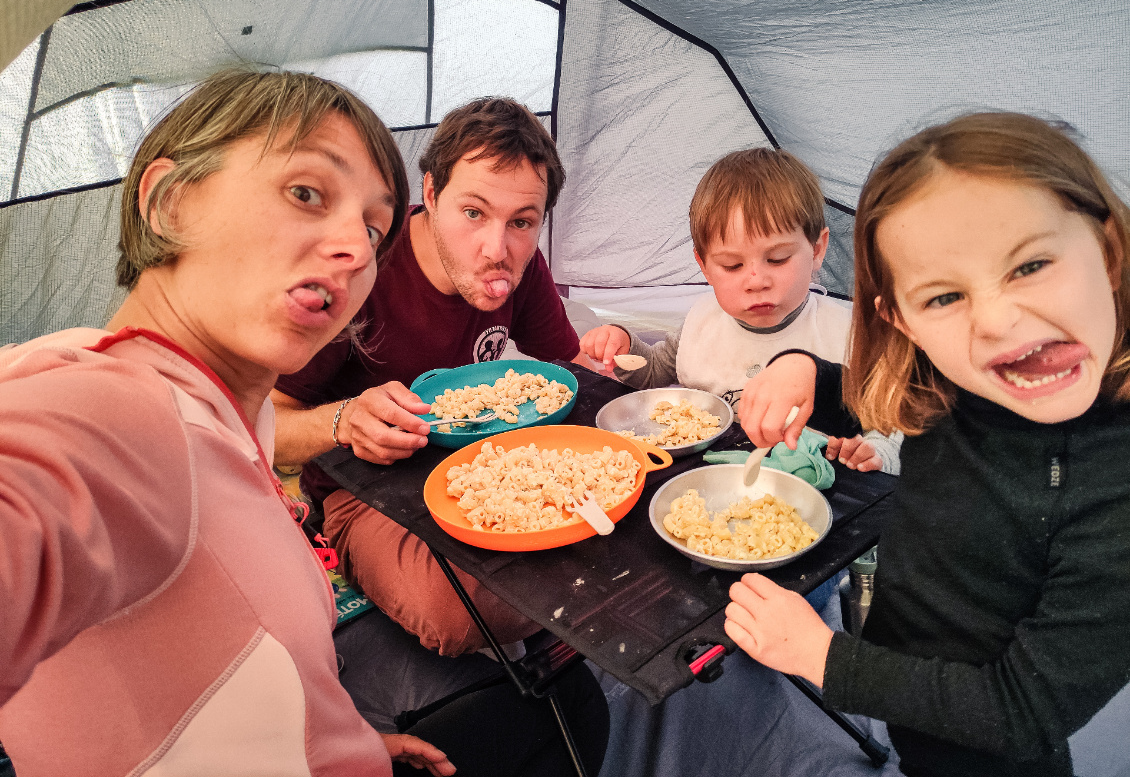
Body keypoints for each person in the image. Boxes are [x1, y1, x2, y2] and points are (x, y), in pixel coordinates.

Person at [0, 69, 608, 777]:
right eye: (306, 193)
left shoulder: (224, 419)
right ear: (169, 203)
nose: (356, 249)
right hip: (370, 491)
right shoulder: (109, 413)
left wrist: (328, 740)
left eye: (371, 225)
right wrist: (346, 420)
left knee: (574, 716)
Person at [726, 112, 1130, 777]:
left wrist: (821, 658)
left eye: (1030, 264)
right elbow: (883, 396)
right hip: (906, 682)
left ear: (1109, 249)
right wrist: (805, 369)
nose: (998, 320)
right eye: (944, 297)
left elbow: (1021, 711)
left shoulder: (1113, 492)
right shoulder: (957, 378)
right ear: (901, 319)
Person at [272, 97, 593, 657]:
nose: (498, 250)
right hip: (366, 491)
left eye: (522, 222)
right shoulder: (359, 272)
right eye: (473, 213)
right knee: (458, 615)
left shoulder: (522, 265)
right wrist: (346, 421)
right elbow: (264, 425)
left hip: (497, 466)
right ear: (431, 193)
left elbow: (569, 372)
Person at [579, 147, 901, 474]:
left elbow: (893, 421)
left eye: (777, 259)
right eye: (732, 265)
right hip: (710, 482)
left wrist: (876, 451)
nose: (756, 281)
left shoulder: (849, 333)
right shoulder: (704, 321)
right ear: (704, 267)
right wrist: (623, 349)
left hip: (816, 488)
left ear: (816, 251)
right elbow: (657, 372)